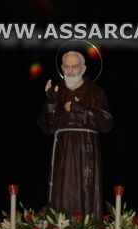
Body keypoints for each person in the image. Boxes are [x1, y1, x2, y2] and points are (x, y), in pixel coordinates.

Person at [38, 51, 113, 219]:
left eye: (75, 66)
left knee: (85, 192)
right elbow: (47, 127)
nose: (70, 70)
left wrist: (80, 109)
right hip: (63, 150)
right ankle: (59, 228)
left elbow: (107, 122)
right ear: (62, 68)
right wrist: (50, 102)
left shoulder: (95, 92)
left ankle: (86, 228)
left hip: (85, 149)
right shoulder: (56, 91)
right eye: (67, 66)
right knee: (61, 191)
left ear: (83, 68)